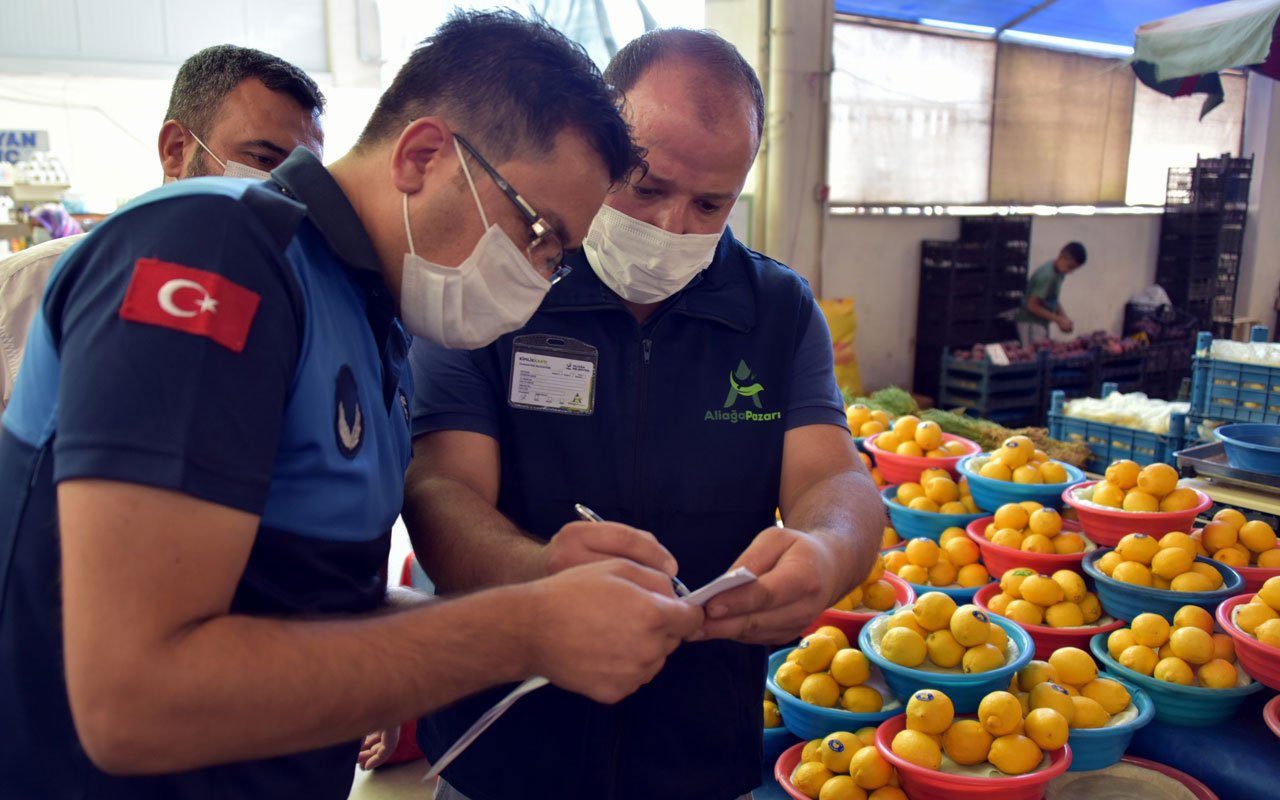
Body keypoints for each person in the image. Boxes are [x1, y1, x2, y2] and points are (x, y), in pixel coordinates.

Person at [0, 12, 703, 799]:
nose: (541, 275)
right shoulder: (216, 255)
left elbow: (306, 604)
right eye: (538, 233)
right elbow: (133, 697)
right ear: (424, 155)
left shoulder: (371, 321)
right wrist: (523, 631)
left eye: (559, 260)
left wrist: (538, 592)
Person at [403, 28, 884, 800]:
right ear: (597, 143)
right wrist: (540, 578)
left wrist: (828, 552)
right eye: (647, 187)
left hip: (695, 750)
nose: (671, 229)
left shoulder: (777, 311)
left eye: (710, 203)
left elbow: (835, 478)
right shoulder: (499, 280)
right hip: (503, 746)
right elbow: (438, 489)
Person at [0, 43, 326, 413]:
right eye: (262, 158)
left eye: (302, 173)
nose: (285, 188)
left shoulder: (296, 308)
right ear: (175, 150)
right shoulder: (24, 290)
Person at [1017, 241, 1087, 346]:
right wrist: (1058, 320)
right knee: (1033, 357)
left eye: (1074, 269)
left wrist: (1064, 317)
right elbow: (1032, 305)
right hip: (1030, 323)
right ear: (1060, 256)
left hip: (1041, 323)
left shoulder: (1059, 272)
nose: (1070, 272)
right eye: (1070, 267)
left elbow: (1053, 298)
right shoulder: (1047, 275)